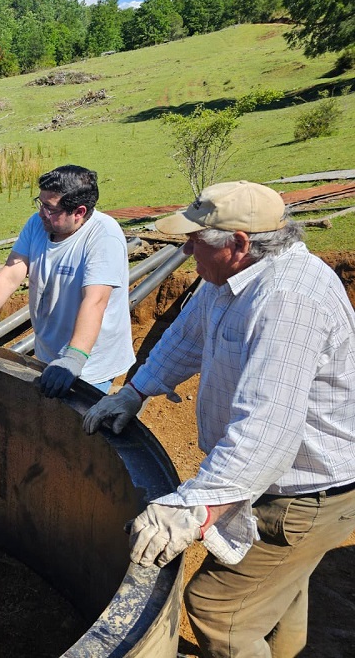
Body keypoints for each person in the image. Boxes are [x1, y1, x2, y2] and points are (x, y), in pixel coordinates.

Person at [83, 180, 355, 658]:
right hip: (283, 478)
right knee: (275, 593)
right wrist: (136, 392)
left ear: (239, 243)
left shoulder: (286, 302)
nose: (187, 250)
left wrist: (195, 505)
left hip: (305, 491)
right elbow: (187, 336)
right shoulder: (231, 279)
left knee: (218, 609)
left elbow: (266, 431)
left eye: (196, 242)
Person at [0, 164, 134, 398]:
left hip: (90, 361)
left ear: (79, 212)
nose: (42, 212)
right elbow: (11, 273)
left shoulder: (103, 237)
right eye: (41, 203)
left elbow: (95, 301)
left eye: (50, 208)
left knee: (79, 429)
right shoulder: (37, 224)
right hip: (48, 351)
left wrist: (74, 358)